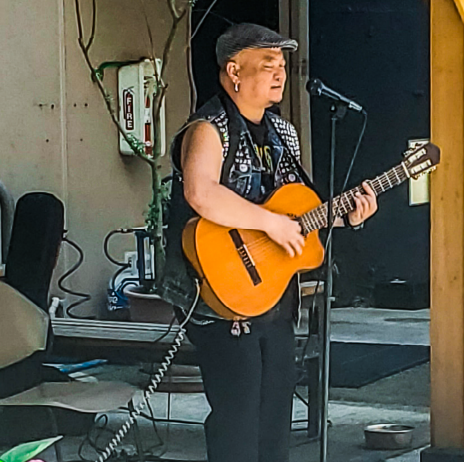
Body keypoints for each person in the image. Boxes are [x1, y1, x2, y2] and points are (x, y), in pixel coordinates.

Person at [161, 23, 378, 462]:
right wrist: (271, 224)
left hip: (274, 300)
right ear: (234, 72)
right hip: (222, 301)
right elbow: (201, 193)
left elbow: (296, 217)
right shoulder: (208, 128)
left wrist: (344, 216)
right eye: (267, 65)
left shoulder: (285, 135)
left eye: (282, 66)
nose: (280, 74)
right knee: (237, 426)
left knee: (274, 427)